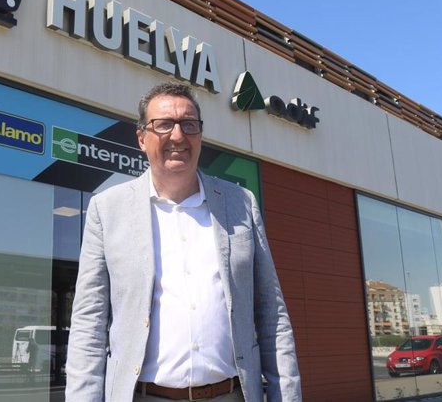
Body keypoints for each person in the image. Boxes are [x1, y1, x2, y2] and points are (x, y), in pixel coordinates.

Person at [65, 83, 301, 402]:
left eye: (189, 124)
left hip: (231, 394)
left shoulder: (241, 204)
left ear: (200, 135)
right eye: (163, 124)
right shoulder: (107, 210)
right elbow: (88, 325)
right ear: (141, 139)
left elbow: (272, 314)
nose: (178, 136)